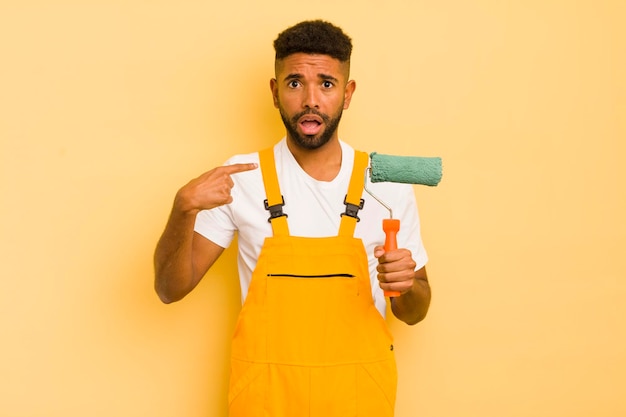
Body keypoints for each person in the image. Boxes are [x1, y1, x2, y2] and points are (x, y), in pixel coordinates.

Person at [154, 20, 431, 417]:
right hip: (266, 400)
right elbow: (169, 289)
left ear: (348, 93)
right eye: (295, 83)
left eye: (327, 84)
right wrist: (183, 209)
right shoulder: (240, 177)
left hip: (359, 399)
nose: (310, 100)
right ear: (275, 91)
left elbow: (416, 311)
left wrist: (405, 285)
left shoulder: (385, 185)